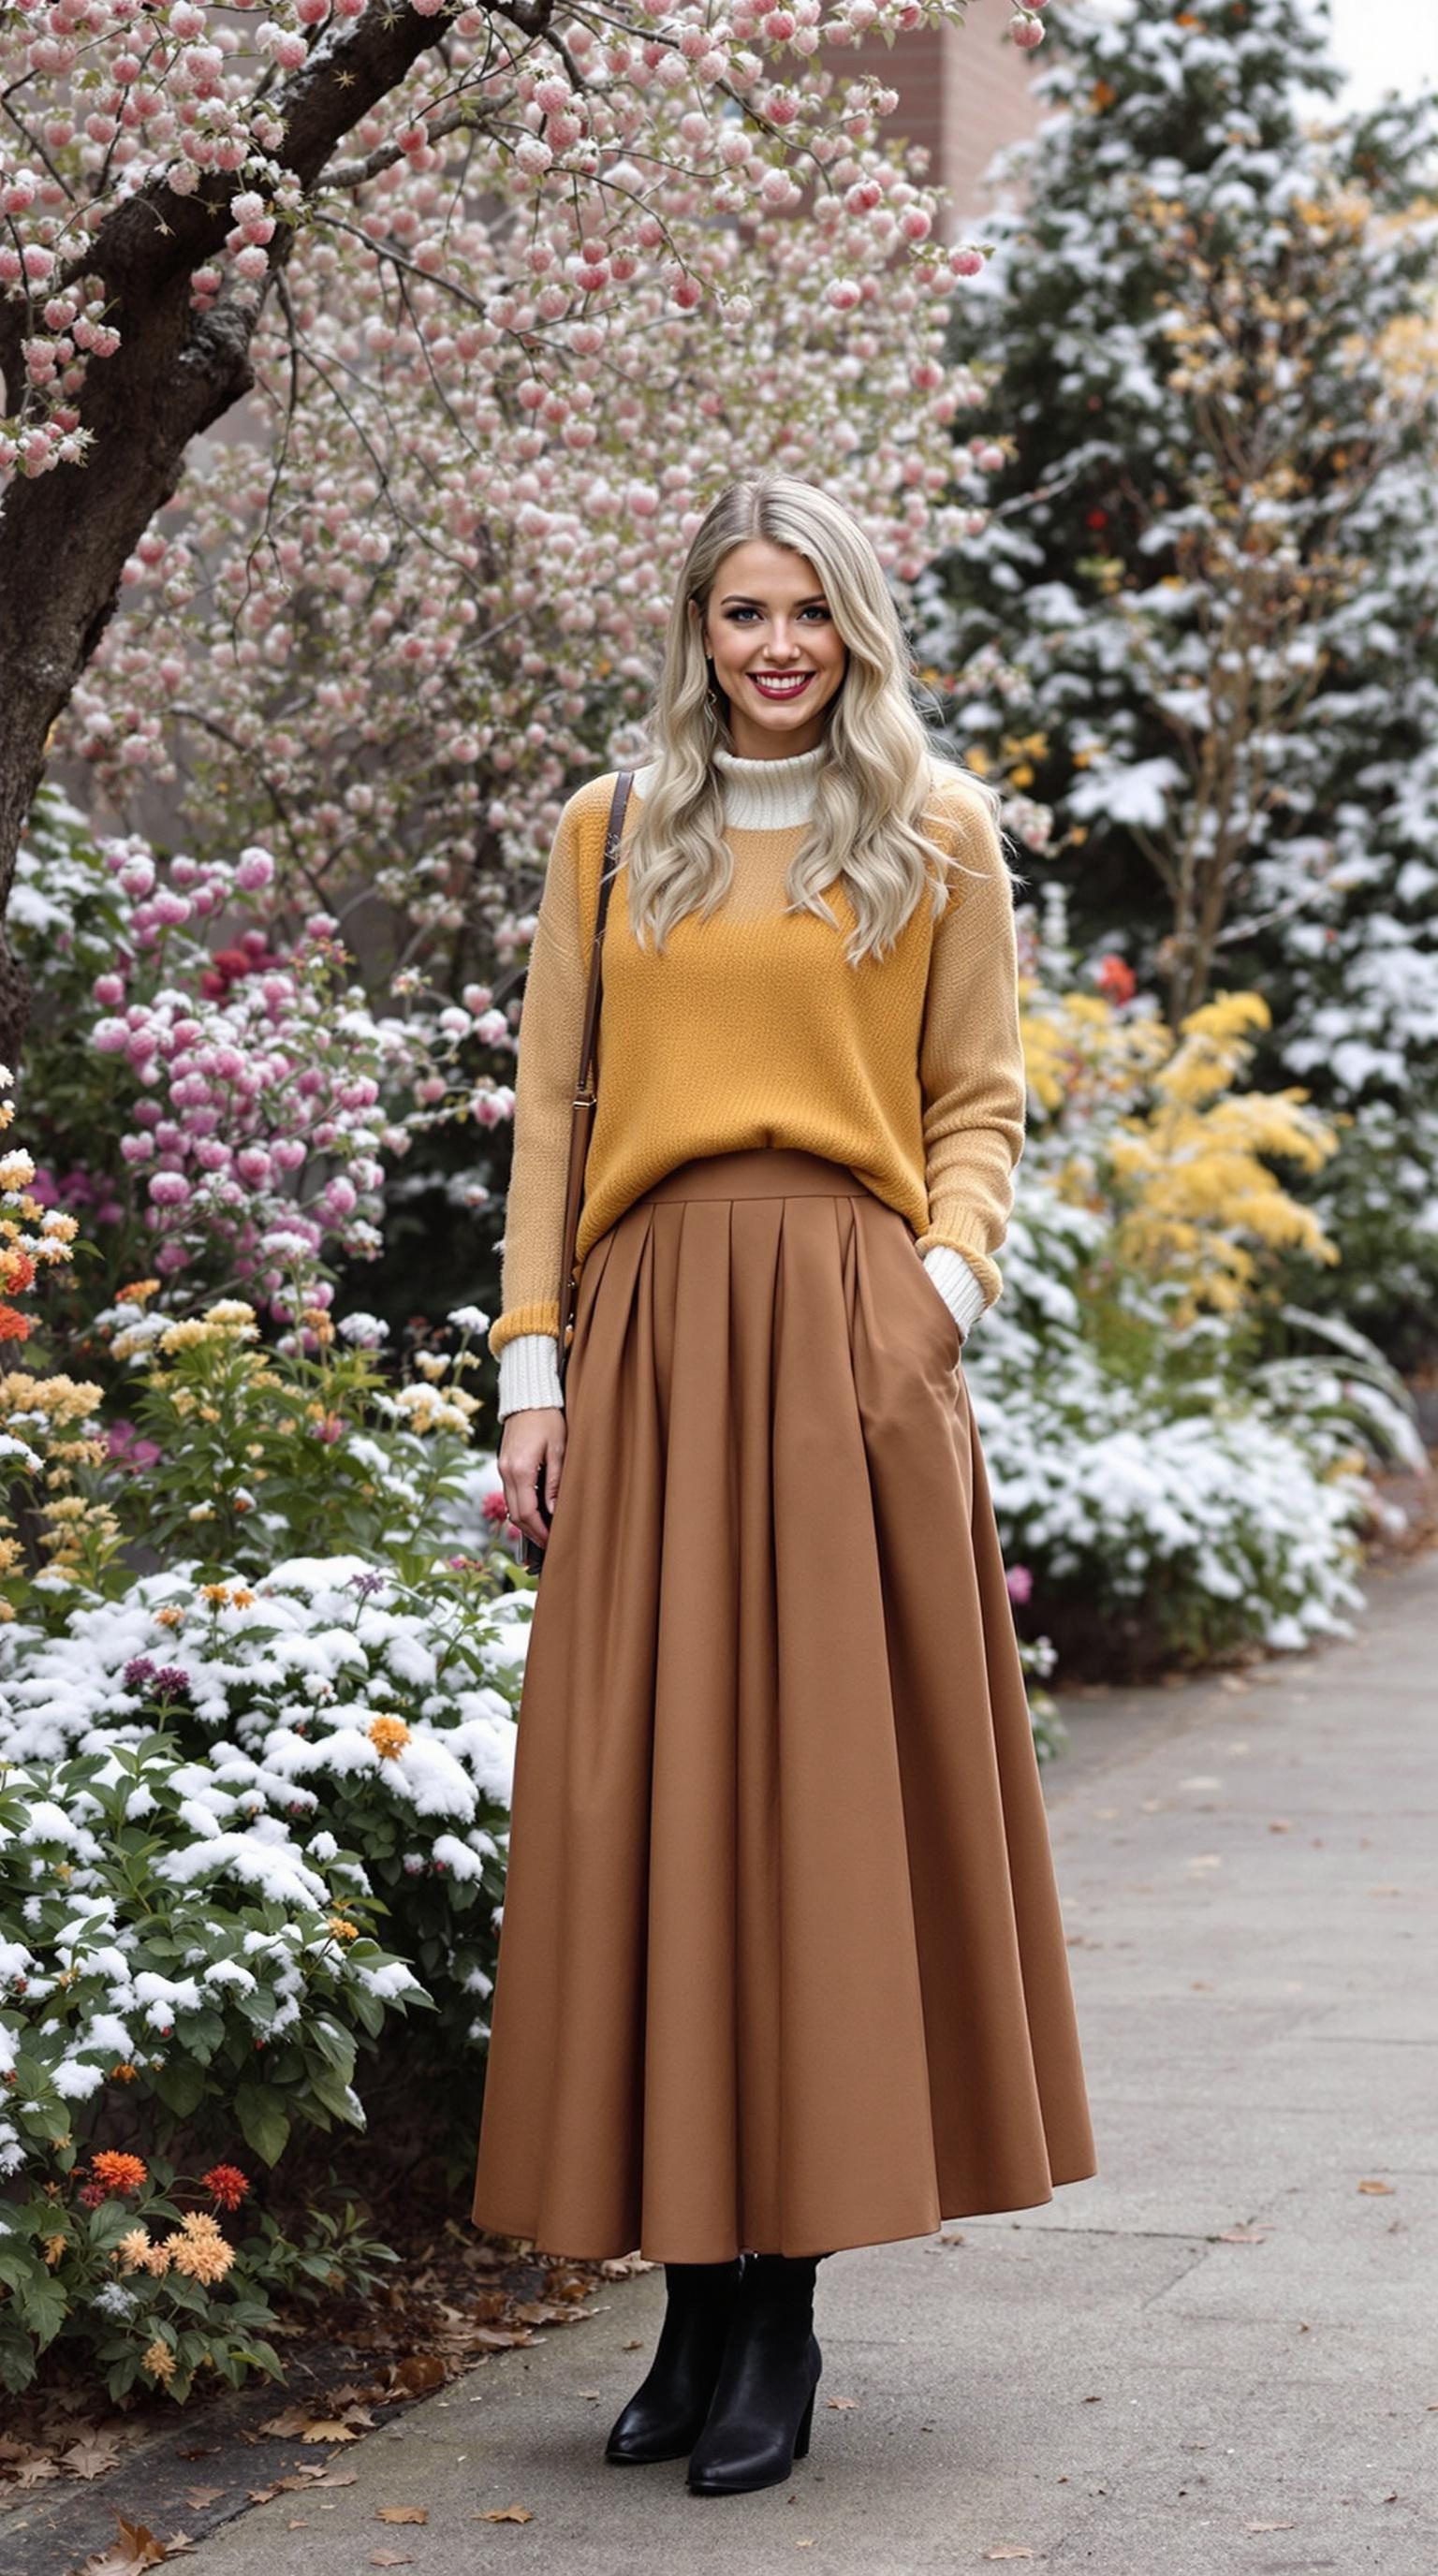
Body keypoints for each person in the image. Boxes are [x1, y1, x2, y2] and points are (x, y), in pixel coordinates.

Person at [470, 475, 1096, 2498]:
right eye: (743, 609)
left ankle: (787, 2305)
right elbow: (553, 1112)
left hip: (849, 1333)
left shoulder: (935, 831)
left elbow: (980, 1098)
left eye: (807, 611)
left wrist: (933, 1294)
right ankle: (691, 2291)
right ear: (696, 623)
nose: (775, 645)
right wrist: (532, 1375)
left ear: (853, 625)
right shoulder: (608, 830)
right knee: (658, 1799)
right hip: (649, 1339)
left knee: (816, 1811)